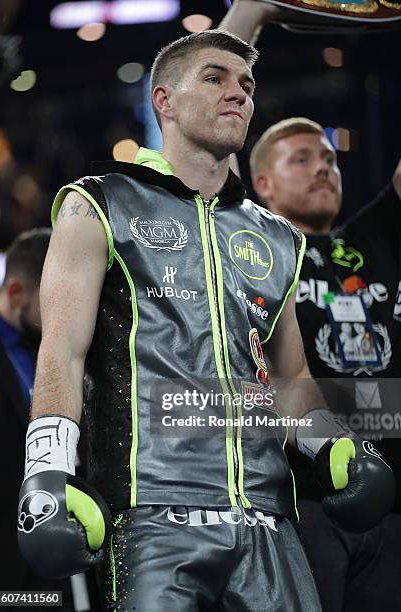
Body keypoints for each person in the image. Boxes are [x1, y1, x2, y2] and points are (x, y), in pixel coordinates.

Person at [17, 30, 394, 612]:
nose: (238, 94)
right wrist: (44, 477)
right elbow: (60, 351)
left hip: (270, 524)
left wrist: (338, 450)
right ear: (163, 101)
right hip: (152, 523)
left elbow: (291, 382)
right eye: (214, 78)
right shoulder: (98, 203)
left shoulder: (277, 236)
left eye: (246, 85)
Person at [221, 4, 401, 609]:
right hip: (299, 501)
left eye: (328, 157)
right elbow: (204, 125)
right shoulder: (247, 245)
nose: (323, 166)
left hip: (389, 499)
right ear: (261, 183)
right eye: (301, 158)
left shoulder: (372, 243)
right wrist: (251, 11)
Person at [0, 228, 76, 609]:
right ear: (14, 294)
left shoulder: (64, 350)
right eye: (49, 302)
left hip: (52, 553)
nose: (61, 316)